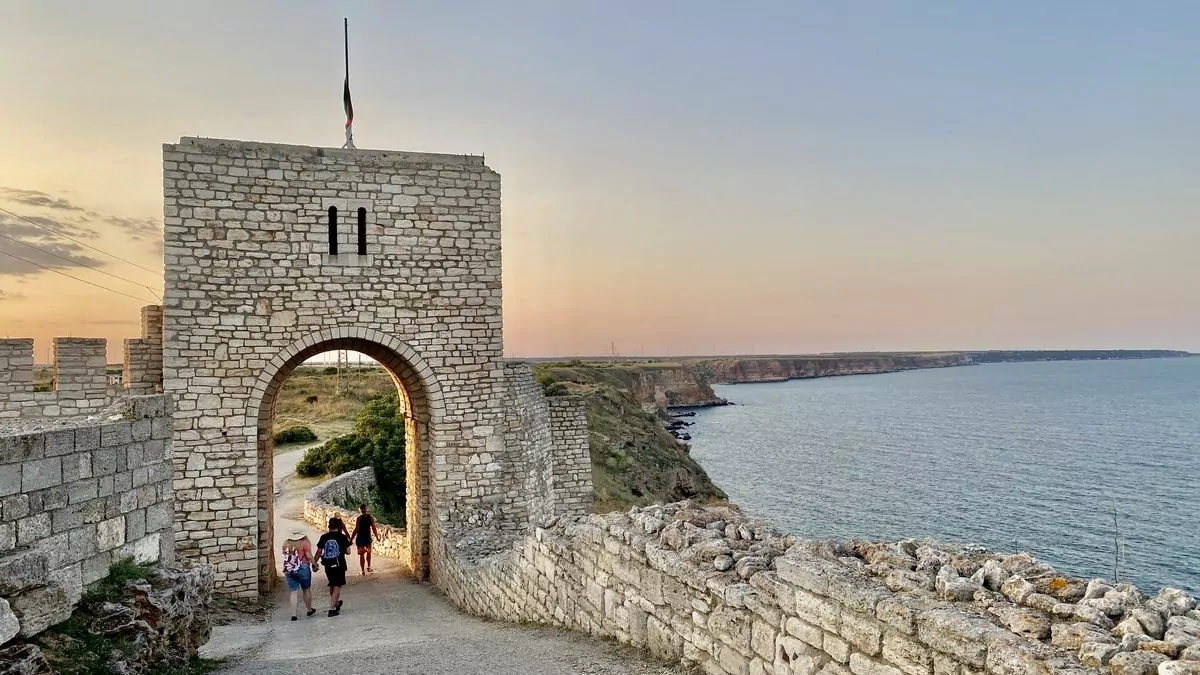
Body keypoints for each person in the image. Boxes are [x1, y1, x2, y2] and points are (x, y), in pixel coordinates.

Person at [315, 517, 352, 616]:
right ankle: (331, 609)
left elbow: (319, 551)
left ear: (329, 526)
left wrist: (314, 563)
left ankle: (336, 604)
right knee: (337, 586)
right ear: (338, 527)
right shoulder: (342, 537)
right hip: (339, 565)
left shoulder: (324, 537)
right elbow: (348, 552)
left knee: (332, 584)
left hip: (327, 565)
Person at [281, 529, 318, 621]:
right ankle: (309, 609)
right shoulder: (305, 543)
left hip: (289, 569)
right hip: (302, 567)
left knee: (293, 591)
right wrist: (314, 564)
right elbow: (308, 556)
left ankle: (294, 614)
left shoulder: (286, 543)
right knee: (306, 589)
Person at [350, 503, 381, 575]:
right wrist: (377, 537)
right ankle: (369, 567)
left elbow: (356, 529)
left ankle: (362, 571)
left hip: (360, 537)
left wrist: (351, 538)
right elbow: (374, 528)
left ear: (360, 510)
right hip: (367, 537)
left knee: (361, 554)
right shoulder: (370, 518)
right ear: (366, 509)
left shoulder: (359, 518)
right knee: (368, 553)